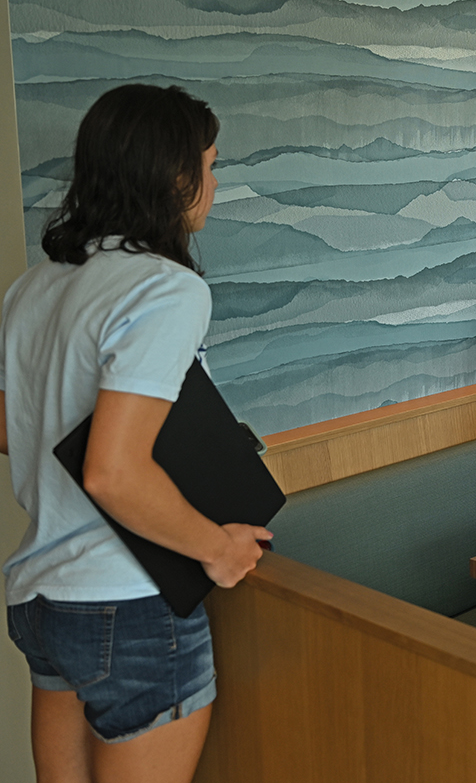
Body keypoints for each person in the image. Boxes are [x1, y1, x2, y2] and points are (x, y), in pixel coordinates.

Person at [1, 85, 272, 783]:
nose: (214, 184)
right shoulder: (166, 288)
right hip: (129, 600)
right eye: (210, 166)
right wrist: (219, 549)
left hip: (42, 600)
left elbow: (12, 431)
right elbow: (111, 473)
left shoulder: (34, 287)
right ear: (175, 176)